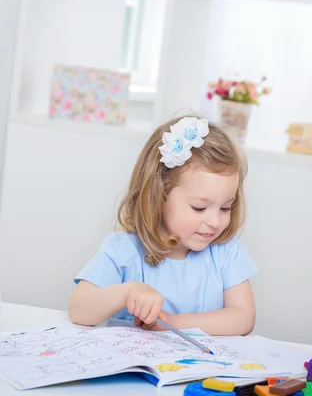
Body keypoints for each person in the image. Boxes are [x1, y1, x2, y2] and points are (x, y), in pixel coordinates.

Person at [68, 115, 258, 335]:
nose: (215, 222)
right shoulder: (123, 250)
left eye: (226, 208)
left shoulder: (226, 249)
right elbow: (78, 310)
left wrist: (173, 323)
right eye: (199, 208)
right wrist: (128, 292)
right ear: (158, 196)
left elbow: (244, 318)